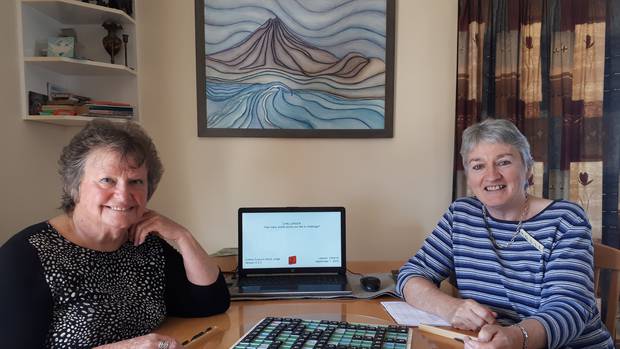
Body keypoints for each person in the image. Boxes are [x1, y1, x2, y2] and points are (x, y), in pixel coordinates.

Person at [0, 120, 230, 349]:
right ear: (75, 186)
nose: (123, 195)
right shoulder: (25, 256)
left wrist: (182, 236)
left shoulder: (143, 244)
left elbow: (210, 302)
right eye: (107, 180)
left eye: (135, 182)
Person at [397, 118, 613, 348]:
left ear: (528, 168)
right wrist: (450, 308)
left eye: (503, 162)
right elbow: (410, 275)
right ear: (469, 177)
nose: (491, 176)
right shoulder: (461, 215)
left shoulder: (565, 220)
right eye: (478, 166)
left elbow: (568, 308)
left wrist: (515, 337)